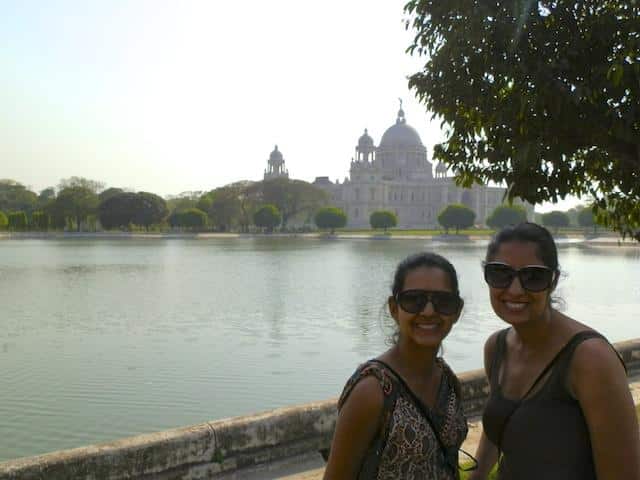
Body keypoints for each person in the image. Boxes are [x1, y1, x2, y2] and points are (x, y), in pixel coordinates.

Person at [469, 222, 640, 479]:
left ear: (553, 280)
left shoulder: (590, 359)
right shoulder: (497, 348)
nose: (515, 289)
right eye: (500, 273)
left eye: (533, 277)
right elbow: (499, 426)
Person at [324, 252, 469, 479]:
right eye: (414, 300)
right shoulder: (373, 390)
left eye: (443, 302)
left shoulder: (447, 380)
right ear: (394, 308)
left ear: (457, 310)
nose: (429, 311)